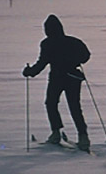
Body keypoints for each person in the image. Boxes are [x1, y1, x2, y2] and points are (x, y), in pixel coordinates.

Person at [22, 14, 91, 151]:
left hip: (56, 78)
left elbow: (42, 63)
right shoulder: (73, 41)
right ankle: (83, 136)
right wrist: (76, 61)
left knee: (51, 104)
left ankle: (55, 133)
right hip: (73, 77)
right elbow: (86, 56)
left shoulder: (47, 44)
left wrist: (29, 72)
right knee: (74, 107)